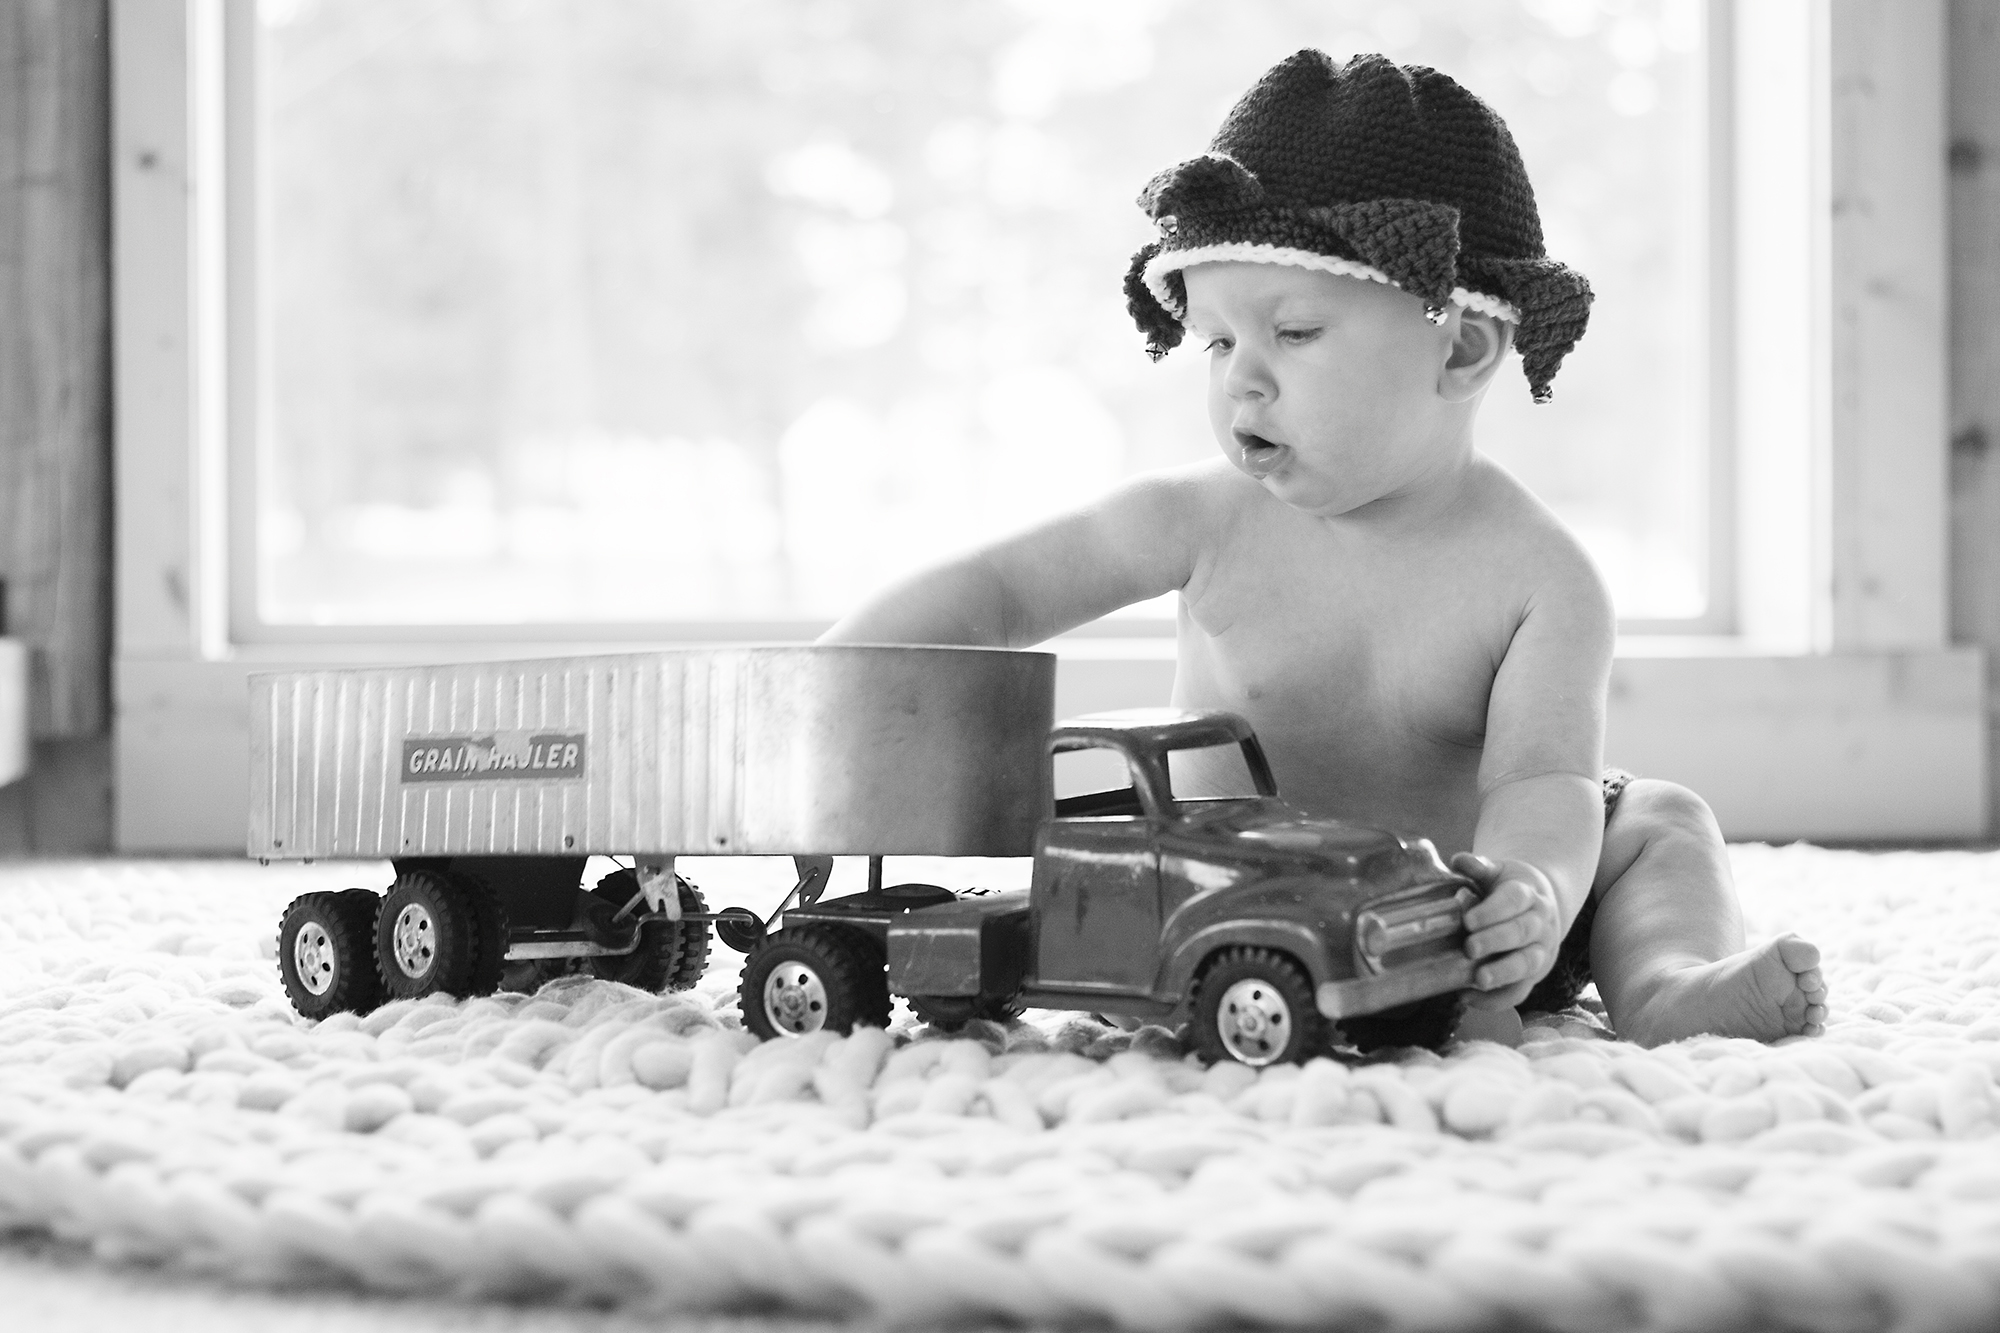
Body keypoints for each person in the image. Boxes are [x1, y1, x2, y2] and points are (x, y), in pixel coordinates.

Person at [821, 50, 1826, 1048]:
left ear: (1461, 346)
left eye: (1294, 332)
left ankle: (1664, 984)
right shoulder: (1200, 518)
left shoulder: (1537, 576)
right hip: (1228, 896)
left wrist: (1529, 894)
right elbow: (999, 590)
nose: (1241, 381)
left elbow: (1539, 783)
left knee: (1660, 820)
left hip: (1458, 908)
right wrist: (833, 677)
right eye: (1217, 341)